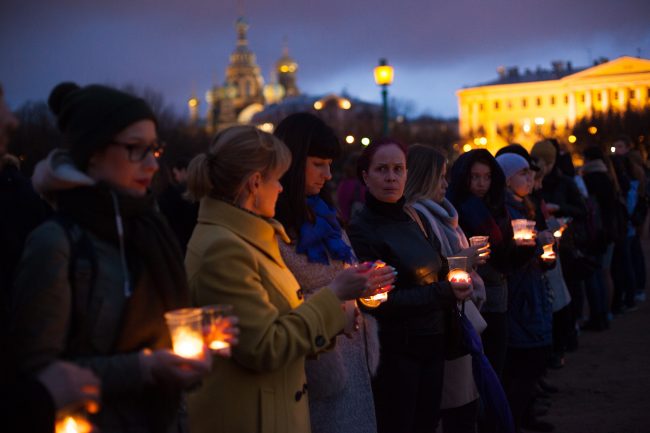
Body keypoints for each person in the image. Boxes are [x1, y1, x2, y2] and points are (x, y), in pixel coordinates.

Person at [8, 82, 212, 433]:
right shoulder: (56, 242)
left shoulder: (150, 225)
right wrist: (146, 367)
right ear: (93, 152)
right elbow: (39, 376)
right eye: (135, 149)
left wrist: (195, 343)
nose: (151, 164)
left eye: (155, 149)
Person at [183, 125, 392, 433]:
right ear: (255, 183)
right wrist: (334, 298)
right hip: (256, 413)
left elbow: (280, 314)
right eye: (277, 180)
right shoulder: (225, 248)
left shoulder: (251, 236)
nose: (281, 189)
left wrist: (341, 310)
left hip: (282, 400)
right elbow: (265, 345)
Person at [347, 139, 473, 433]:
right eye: (381, 169)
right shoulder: (361, 229)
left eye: (398, 169)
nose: (391, 177)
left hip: (434, 341)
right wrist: (444, 292)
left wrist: (457, 272)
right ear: (365, 176)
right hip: (396, 353)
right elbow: (379, 302)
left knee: (428, 423)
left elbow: (438, 264)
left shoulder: (413, 217)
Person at [273, 112, 387, 433]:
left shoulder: (325, 215)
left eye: (330, 164)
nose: (328, 174)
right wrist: (340, 295)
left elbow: (343, 272)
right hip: (316, 369)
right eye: (318, 164)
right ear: (292, 163)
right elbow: (281, 302)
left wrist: (367, 285)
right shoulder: (274, 226)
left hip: (351, 357)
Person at [404, 144, 487, 433]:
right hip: (446, 321)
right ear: (423, 178)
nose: (446, 183)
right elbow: (432, 269)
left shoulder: (444, 217)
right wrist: (466, 261)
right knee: (455, 409)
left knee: (465, 404)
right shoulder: (417, 217)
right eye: (440, 176)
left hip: (459, 315)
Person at [495, 152, 555, 433]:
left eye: (531, 174)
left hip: (533, 288)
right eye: (523, 174)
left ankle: (526, 416)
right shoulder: (506, 212)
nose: (530, 179)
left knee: (533, 360)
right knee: (523, 363)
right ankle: (515, 420)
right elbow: (509, 260)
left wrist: (546, 254)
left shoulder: (526, 206)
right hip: (520, 295)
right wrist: (533, 246)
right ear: (507, 180)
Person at [158, 156, 199, 254]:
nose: (175, 178)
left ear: (184, 170)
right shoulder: (197, 192)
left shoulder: (175, 193)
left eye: (176, 174)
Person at [337, 151, 366, 226]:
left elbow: (341, 205)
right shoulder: (364, 185)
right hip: (361, 225)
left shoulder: (344, 184)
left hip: (347, 223)